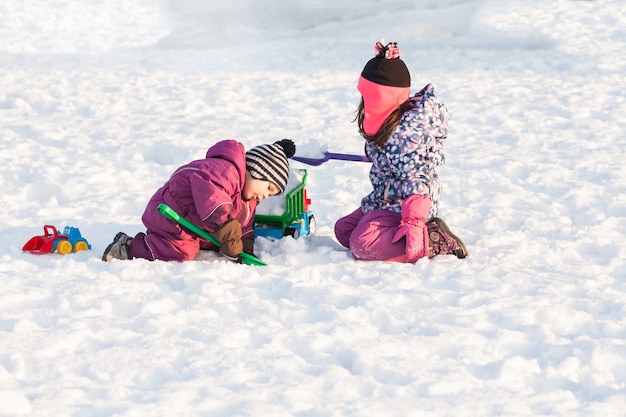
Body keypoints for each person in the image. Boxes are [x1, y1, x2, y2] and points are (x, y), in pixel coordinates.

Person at [334, 41, 467, 263]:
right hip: (385, 198)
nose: (366, 103)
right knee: (344, 230)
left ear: (385, 98)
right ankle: (397, 237)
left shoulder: (404, 138)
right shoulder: (385, 124)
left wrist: (413, 222)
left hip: (408, 205)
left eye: (372, 97)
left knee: (362, 244)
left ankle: (433, 238)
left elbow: (417, 181)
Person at [102, 139, 296, 262]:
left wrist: (243, 246)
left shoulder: (248, 200)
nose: (264, 196)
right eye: (268, 188)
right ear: (257, 171)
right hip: (172, 216)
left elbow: (243, 226)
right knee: (182, 251)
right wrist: (229, 234)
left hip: (196, 225)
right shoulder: (223, 171)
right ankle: (128, 247)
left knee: (216, 244)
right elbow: (214, 198)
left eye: (271, 195)